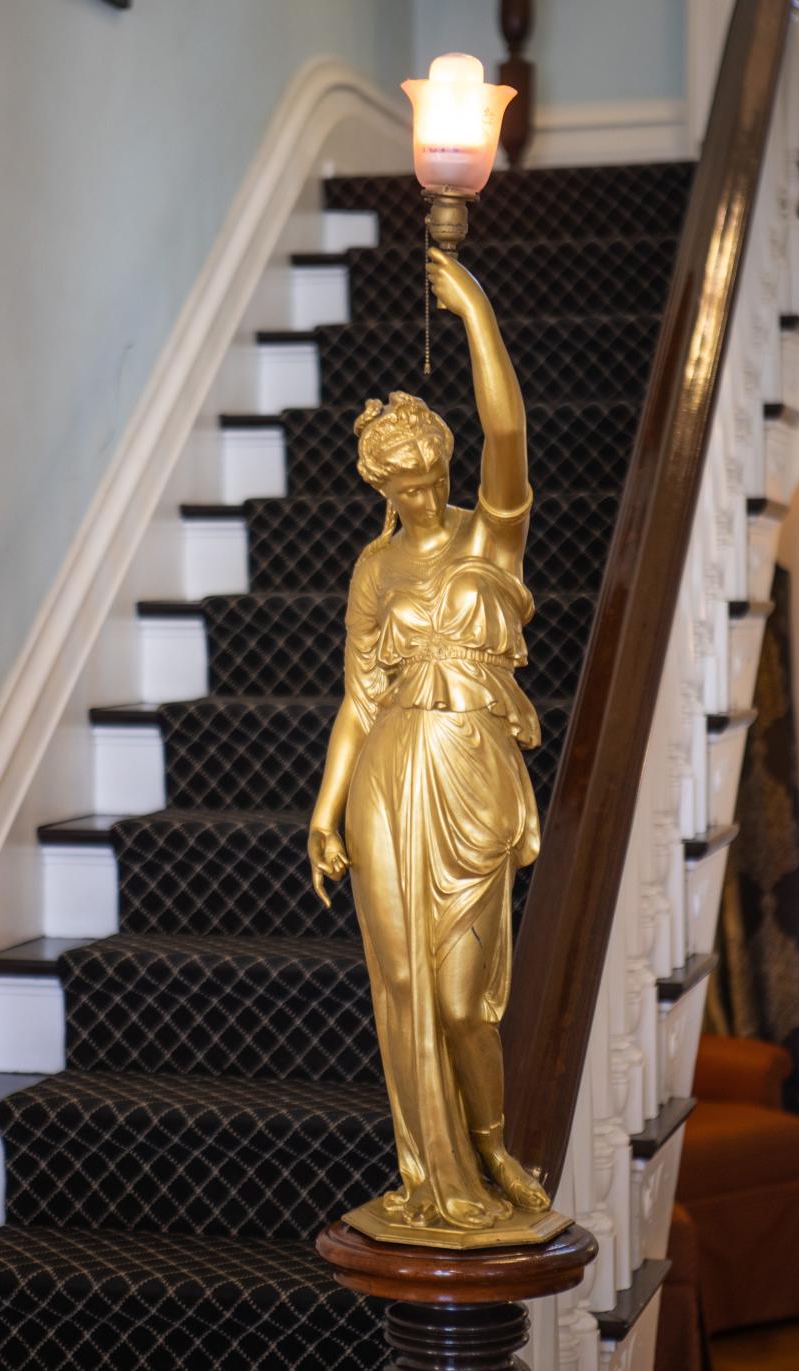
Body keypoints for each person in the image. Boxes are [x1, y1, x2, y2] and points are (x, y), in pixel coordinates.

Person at [307, 247, 550, 1235]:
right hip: (386, 772)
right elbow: (359, 698)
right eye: (394, 484)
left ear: (442, 463)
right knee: (401, 986)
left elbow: (509, 428)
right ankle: (432, 1176)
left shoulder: (491, 535)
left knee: (461, 1001)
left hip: (469, 772)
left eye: (422, 475)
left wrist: (476, 315)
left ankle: (488, 1145)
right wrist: (325, 811)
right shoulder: (374, 564)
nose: (411, 494)